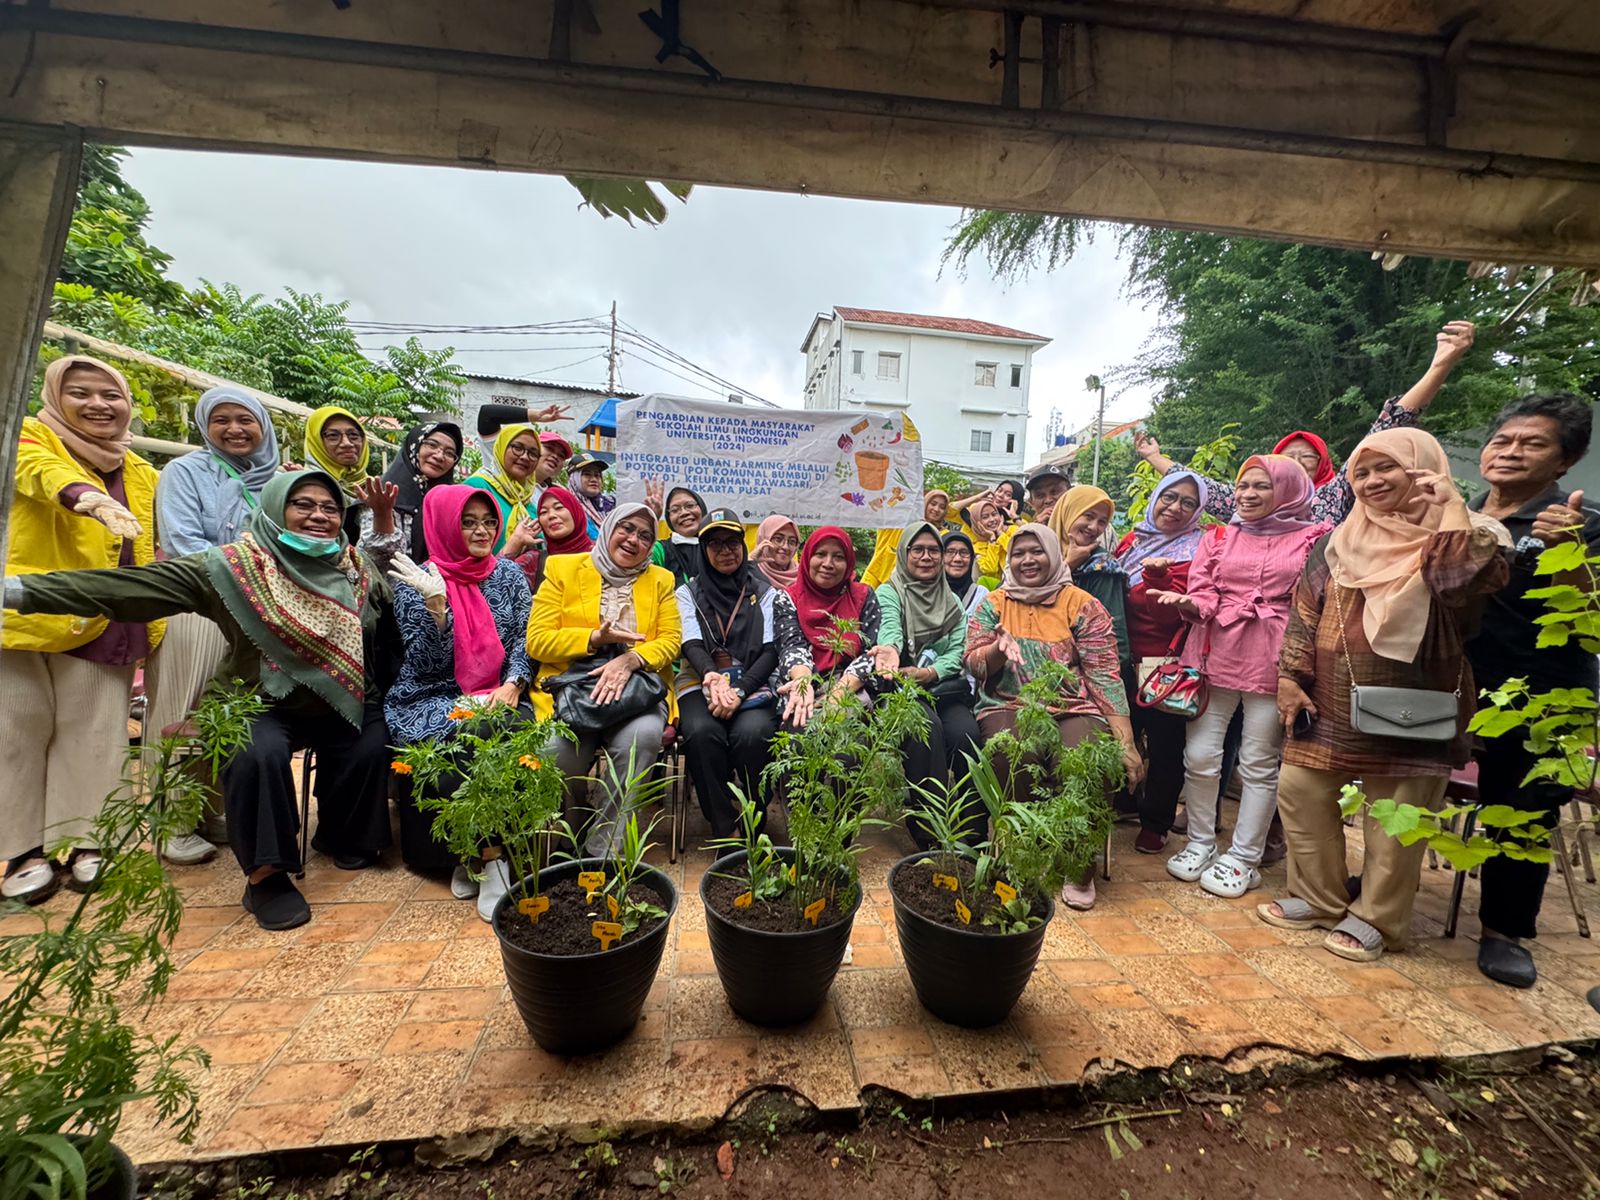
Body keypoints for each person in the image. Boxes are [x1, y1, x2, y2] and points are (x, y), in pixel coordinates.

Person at [5, 470, 401, 930]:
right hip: (256, 699)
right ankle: (265, 876)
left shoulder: (355, 568)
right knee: (256, 752)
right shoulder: (233, 567)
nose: (319, 516)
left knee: (372, 740)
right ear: (275, 508)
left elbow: (392, 622)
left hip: (342, 697)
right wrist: (20, 592)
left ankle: (340, 834)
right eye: (303, 504)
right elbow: (130, 587)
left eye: (330, 508)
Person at [1267, 428, 1508, 961]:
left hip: (1415, 699)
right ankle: (1319, 898)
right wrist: (1290, 678)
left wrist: (1449, 507)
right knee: (1301, 791)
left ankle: (1379, 918)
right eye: (1362, 472)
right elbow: (1305, 612)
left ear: (1421, 469)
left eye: (1387, 468)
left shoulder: (1473, 536)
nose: (1372, 481)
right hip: (1330, 696)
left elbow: (1455, 582)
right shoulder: (1339, 541)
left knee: (1396, 815)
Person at [0, 355, 164, 903]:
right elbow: (36, 471)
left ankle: (89, 840)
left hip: (103, 613)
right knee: (15, 730)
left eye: (110, 395)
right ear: (54, 397)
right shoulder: (28, 436)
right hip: (23, 613)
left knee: (95, 733)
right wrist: (84, 496)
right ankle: (23, 849)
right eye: (81, 393)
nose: (98, 404)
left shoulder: (139, 471)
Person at [1148, 455, 1330, 898]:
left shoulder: (1315, 538)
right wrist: (1190, 604)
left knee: (1258, 762)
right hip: (1215, 653)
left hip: (1275, 658)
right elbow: (1203, 587)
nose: (1247, 495)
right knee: (1201, 755)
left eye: (1261, 486)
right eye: (1243, 486)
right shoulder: (1220, 536)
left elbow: (1316, 599)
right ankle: (1200, 842)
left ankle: (1245, 856)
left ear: (1287, 491)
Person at [1465, 393, 1600, 988]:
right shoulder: (1460, 516)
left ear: (1565, 460)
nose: (1511, 451)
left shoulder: (1583, 523)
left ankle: (1504, 930)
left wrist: (1568, 556)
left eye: (1533, 443)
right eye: (1503, 440)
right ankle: (1388, 888)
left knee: (1523, 813)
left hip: (1541, 693)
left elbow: (1592, 622)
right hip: (1454, 683)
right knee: (1408, 784)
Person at [1134, 320, 1478, 525]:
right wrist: (1154, 458)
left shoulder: (1331, 498)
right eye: (1287, 458)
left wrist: (1440, 366)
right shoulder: (1253, 500)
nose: (1296, 463)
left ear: (1322, 464)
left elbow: (1386, 428)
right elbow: (1199, 485)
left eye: (1306, 457)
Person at [964, 525, 1143, 909]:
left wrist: (1126, 742)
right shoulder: (994, 603)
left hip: (1073, 706)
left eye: (1037, 551)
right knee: (1010, 754)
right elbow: (975, 665)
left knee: (1087, 760)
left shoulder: (1083, 604)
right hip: (1008, 703)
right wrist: (997, 649)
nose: (1027, 560)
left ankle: (1077, 863)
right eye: (1019, 553)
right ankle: (1024, 854)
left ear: (1054, 554)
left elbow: (1105, 676)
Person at [384, 485, 535, 920]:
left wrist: (514, 683)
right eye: (468, 523)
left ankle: (478, 858)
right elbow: (425, 663)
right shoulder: (417, 580)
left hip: (501, 691)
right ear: (446, 526)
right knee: (465, 737)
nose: (481, 531)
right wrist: (437, 610)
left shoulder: (508, 576)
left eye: (488, 522)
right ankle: (489, 858)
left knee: (496, 729)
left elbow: (525, 639)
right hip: (431, 695)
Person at [147, 384, 283, 865]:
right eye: (221, 420)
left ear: (263, 427)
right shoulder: (185, 472)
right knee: (185, 707)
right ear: (205, 426)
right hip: (200, 606)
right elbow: (182, 542)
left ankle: (210, 810)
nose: (234, 429)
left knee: (229, 710)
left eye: (245, 420)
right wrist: (249, 570)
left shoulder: (273, 479)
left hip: (256, 611)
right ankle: (173, 820)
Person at [525, 503, 682, 857]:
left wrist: (631, 659)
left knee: (641, 739)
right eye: (626, 528)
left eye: (645, 535)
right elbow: (537, 641)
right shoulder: (563, 568)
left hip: (637, 689)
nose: (634, 540)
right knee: (556, 751)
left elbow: (671, 640)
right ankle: (575, 823)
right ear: (609, 528)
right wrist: (594, 639)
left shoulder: (661, 580)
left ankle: (603, 848)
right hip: (572, 688)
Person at [1115, 471, 1211, 854]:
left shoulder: (1197, 550)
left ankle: (1156, 823)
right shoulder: (1131, 542)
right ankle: (1125, 799)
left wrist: (1158, 576)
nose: (1175, 508)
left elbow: (1170, 616)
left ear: (1198, 510)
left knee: (1165, 745)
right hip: (1120, 659)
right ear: (1155, 498)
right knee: (1121, 735)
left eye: (1188, 502)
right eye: (1169, 497)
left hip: (1164, 666)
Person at [872, 520, 982, 849]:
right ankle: (928, 831)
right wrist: (891, 651)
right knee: (926, 730)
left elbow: (958, 651)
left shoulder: (951, 601)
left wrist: (930, 672)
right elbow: (889, 629)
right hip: (900, 690)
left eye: (934, 550)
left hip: (942, 689)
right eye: (917, 549)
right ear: (904, 553)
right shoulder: (889, 592)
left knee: (967, 735)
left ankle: (972, 834)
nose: (926, 556)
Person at [675, 508, 781, 840]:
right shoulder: (687, 593)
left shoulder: (765, 592)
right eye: (715, 544)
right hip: (700, 680)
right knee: (700, 733)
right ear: (703, 550)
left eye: (733, 542)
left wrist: (740, 690)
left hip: (753, 682)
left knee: (754, 734)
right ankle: (724, 825)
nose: (726, 551)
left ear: (743, 545)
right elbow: (691, 643)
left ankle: (753, 821)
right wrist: (712, 676)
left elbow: (771, 650)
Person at [773, 528, 880, 728]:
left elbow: (871, 652)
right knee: (800, 728)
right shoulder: (788, 598)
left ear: (848, 563)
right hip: (804, 681)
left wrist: (837, 695)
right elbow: (792, 647)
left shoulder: (864, 596)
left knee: (846, 732)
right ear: (807, 557)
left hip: (853, 684)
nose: (828, 564)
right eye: (820, 554)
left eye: (838, 557)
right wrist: (803, 684)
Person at [355, 417, 464, 571]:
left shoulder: (452, 501)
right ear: (414, 446)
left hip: (439, 584)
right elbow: (371, 558)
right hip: (390, 583)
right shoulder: (382, 494)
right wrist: (383, 515)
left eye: (450, 453)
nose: (439, 456)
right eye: (432, 445)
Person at [1049, 485, 1131, 668]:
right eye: (1088, 516)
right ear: (1068, 512)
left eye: (1102, 521)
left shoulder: (1100, 567)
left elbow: (1114, 635)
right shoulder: (1039, 551)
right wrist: (1068, 565)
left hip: (1079, 674)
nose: (1094, 527)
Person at [463, 424, 542, 560]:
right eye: (518, 448)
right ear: (502, 447)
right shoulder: (478, 486)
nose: (525, 457)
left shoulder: (528, 504)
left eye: (533, 453)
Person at [862, 491, 963, 589]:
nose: (936, 509)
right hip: (876, 579)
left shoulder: (944, 536)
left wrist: (973, 498)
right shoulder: (901, 523)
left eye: (942, 507)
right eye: (933, 504)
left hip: (910, 588)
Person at [303, 405, 373, 543]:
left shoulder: (374, 487)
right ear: (316, 441)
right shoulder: (302, 485)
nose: (347, 443)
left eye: (353, 435)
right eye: (333, 436)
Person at [520, 484, 596, 590]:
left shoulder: (601, 555)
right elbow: (498, 585)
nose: (551, 515)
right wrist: (515, 542)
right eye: (543, 512)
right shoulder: (534, 562)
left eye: (559, 508)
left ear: (575, 511)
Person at [650, 486, 707, 586]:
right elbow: (636, 563)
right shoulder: (660, 549)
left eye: (690, 506)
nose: (684, 513)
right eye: (675, 510)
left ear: (702, 508)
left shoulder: (716, 546)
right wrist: (649, 522)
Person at [942, 529, 990, 617]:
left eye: (964, 552)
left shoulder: (981, 595)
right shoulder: (930, 592)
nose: (957, 559)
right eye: (950, 552)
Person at [567, 450, 613, 537]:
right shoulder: (566, 506)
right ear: (574, 478)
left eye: (597, 475)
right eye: (587, 474)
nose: (594, 479)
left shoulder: (610, 505)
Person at [751, 514, 801, 589]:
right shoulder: (751, 574)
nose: (785, 547)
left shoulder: (804, 576)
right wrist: (750, 562)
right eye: (778, 539)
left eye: (792, 541)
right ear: (764, 539)